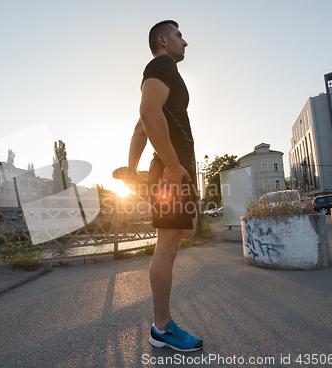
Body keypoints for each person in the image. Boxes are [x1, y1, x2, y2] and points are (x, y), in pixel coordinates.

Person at [114, 20, 202, 352]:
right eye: (179, 35)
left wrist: (132, 171)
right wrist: (173, 165)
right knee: (167, 248)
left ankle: (161, 325)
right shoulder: (160, 64)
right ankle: (162, 327)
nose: (185, 41)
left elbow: (140, 127)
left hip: (175, 171)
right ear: (163, 40)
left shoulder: (166, 72)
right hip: (172, 171)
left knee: (187, 232)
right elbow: (148, 113)